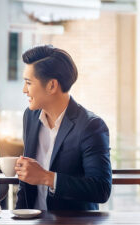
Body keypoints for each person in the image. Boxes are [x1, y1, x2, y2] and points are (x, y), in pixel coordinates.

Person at [15, 45, 112, 210]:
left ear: (52, 86)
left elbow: (101, 189)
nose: (24, 90)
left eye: (28, 83)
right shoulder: (30, 116)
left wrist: (47, 178)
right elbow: (26, 183)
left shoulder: (91, 126)